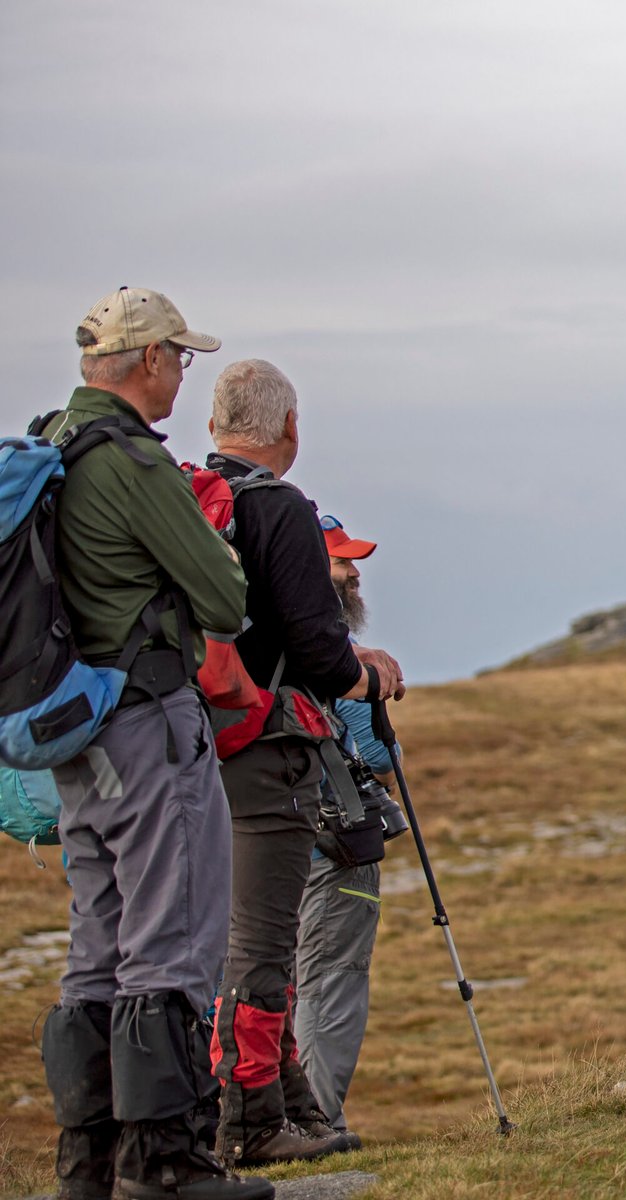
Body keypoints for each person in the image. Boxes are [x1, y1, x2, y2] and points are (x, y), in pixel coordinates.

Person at [38, 288, 273, 1199]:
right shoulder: (131, 460)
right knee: (171, 936)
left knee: (94, 946)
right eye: (178, 356)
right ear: (145, 361)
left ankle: (87, 1162)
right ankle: (168, 1163)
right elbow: (223, 598)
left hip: (77, 728)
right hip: (146, 716)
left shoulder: (53, 444)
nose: (182, 372)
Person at [202, 360, 405, 1167]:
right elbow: (316, 645)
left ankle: (287, 1101)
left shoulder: (192, 499)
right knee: (263, 939)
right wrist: (361, 675)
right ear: (289, 428)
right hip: (264, 745)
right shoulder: (277, 507)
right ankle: (252, 1118)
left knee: (247, 935)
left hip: (194, 739)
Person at [292, 514, 395, 1140]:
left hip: (257, 838)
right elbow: (379, 759)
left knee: (262, 976)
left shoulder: (255, 637)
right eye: (342, 563)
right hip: (329, 848)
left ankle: (255, 1115)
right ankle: (314, 1119)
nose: (354, 575)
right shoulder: (328, 656)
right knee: (330, 980)